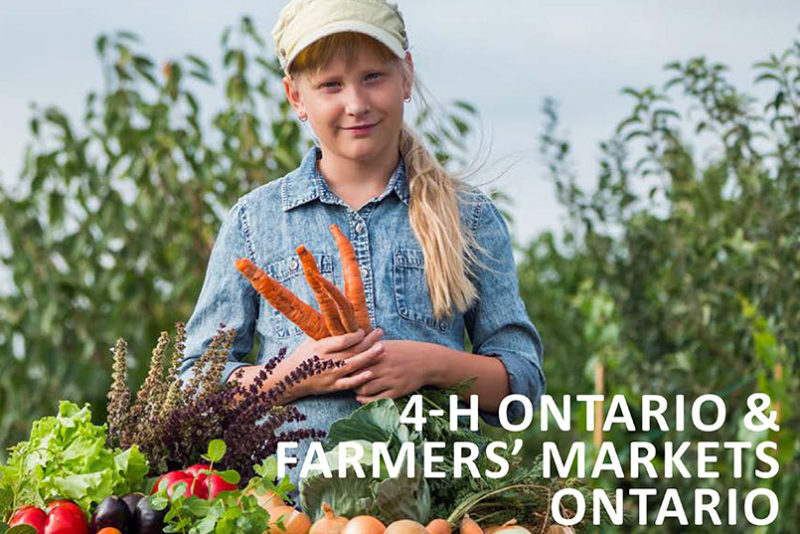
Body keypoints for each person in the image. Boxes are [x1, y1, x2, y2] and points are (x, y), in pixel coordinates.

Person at [179, 0, 544, 488]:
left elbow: (523, 384)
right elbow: (192, 388)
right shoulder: (255, 222)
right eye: (331, 84)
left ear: (406, 75)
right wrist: (294, 374)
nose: (356, 103)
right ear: (295, 97)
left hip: (436, 507)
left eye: (373, 76)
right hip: (291, 512)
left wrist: (430, 365)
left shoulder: (468, 217)